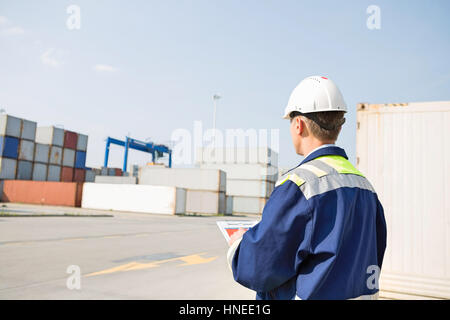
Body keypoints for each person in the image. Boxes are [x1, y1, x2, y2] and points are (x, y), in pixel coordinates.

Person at [227, 76, 387, 300]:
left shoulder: (299, 185)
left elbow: (259, 268)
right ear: (339, 126)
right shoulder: (365, 187)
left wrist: (238, 246)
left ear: (298, 124)